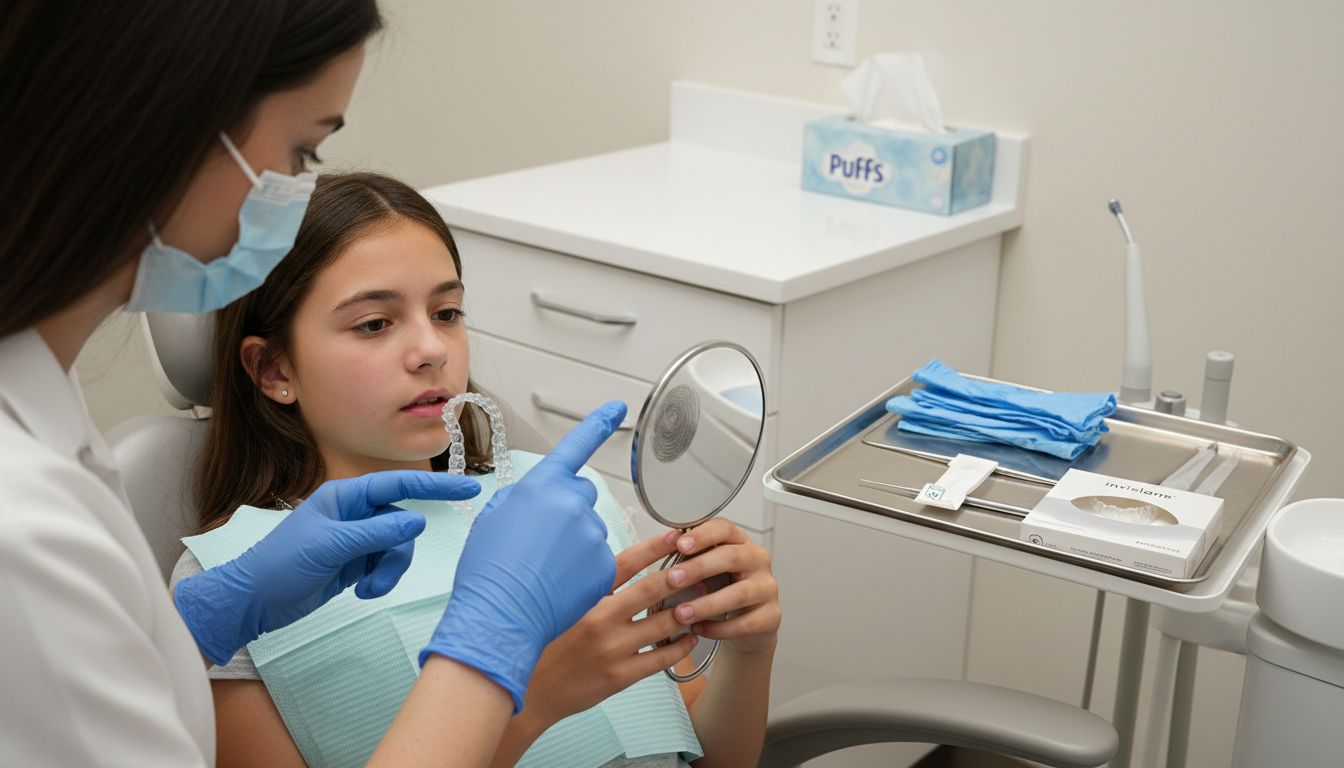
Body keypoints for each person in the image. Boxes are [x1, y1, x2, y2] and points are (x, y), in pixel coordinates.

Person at [0, 3, 627, 764]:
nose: (429, 350)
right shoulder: (24, 536)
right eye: (301, 153)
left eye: (448, 311)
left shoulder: (43, 427)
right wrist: (490, 645)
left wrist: (197, 627)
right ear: (170, 124)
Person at [171, 171, 782, 767]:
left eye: (447, 312)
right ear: (275, 370)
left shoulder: (566, 501)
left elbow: (705, 754)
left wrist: (749, 652)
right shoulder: (233, 584)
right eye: (374, 323)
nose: (432, 350)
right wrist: (532, 696)